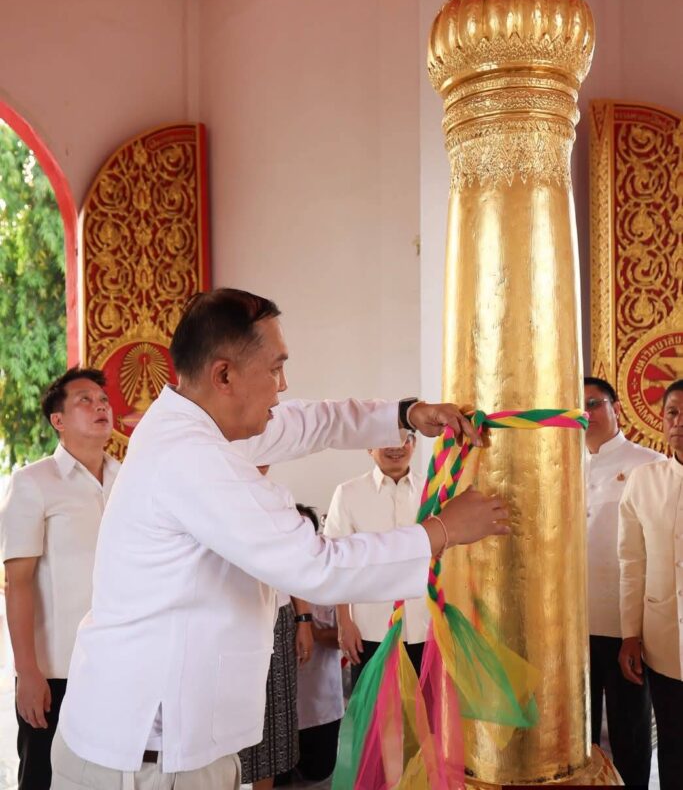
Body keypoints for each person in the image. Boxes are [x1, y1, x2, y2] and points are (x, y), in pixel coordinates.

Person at [51, 287, 510, 790]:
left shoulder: (198, 424)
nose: (283, 386)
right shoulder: (191, 456)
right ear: (224, 375)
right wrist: (443, 530)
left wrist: (403, 415)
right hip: (146, 758)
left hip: (173, 747)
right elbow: (317, 566)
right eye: (275, 369)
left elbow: (308, 422)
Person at [0, 367, 117, 790]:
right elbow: (18, 583)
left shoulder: (128, 480)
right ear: (58, 420)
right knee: (44, 778)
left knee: (111, 778)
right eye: (85, 400)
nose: (100, 406)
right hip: (56, 670)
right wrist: (28, 673)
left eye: (103, 400)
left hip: (119, 664)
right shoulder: (33, 483)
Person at [583, 375, 661, 786]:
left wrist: (639, 629)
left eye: (594, 404)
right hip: (574, 623)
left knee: (629, 731)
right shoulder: (563, 467)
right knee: (578, 736)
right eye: (577, 407)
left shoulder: (649, 465)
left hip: (625, 624)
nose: (586, 414)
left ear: (616, 409)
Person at [618, 378, 683, 790]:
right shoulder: (644, 480)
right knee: (674, 746)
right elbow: (631, 562)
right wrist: (630, 634)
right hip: (664, 641)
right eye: (672, 413)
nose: (679, 422)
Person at [325, 431, 429, 686]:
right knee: (373, 708)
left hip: (426, 626)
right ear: (369, 447)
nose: (397, 447)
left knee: (427, 706)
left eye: (405, 439)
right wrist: (344, 622)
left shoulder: (432, 489)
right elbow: (337, 562)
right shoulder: (348, 493)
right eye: (386, 439)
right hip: (371, 627)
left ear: (414, 444)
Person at [238, 467, 312, 790]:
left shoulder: (280, 496)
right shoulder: (209, 486)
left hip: (278, 619)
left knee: (271, 726)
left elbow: (297, 564)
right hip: (227, 621)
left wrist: (303, 620)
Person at [293, 505, 344, 783]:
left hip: (322, 708)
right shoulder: (268, 579)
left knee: (319, 777)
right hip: (279, 712)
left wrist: (310, 630)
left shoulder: (331, 581)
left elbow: (347, 638)